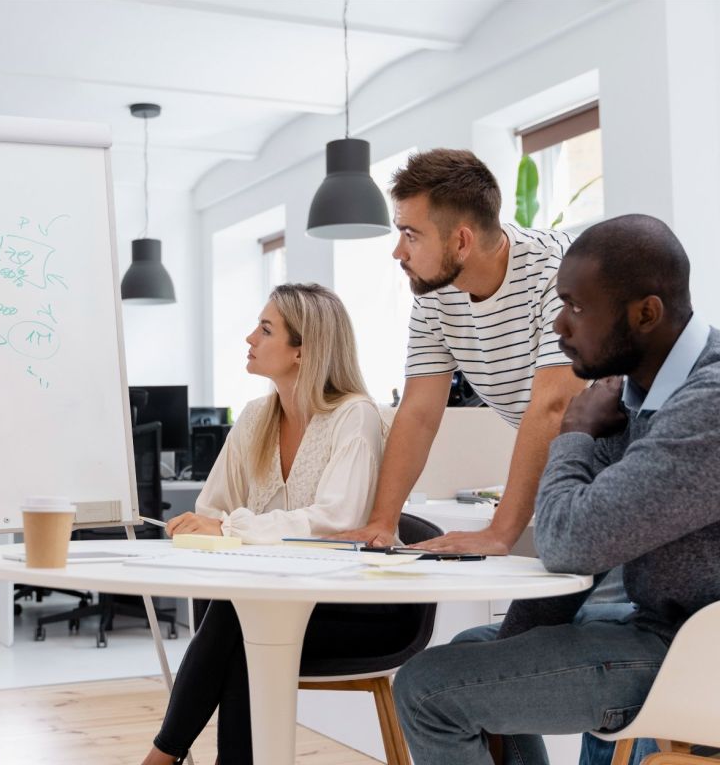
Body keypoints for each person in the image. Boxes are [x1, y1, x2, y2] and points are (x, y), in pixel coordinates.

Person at [391, 214, 720, 765]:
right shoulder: (634, 396)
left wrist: (573, 432)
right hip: (661, 631)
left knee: (429, 690)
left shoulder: (707, 402)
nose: (560, 327)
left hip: (697, 656)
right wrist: (511, 645)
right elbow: (580, 543)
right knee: (472, 651)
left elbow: (570, 543)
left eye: (576, 308)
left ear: (646, 313)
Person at [142, 283, 389, 764]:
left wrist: (230, 529)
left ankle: (160, 757)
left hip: (350, 608)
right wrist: (205, 526)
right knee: (248, 620)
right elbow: (213, 507)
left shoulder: (353, 416)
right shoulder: (256, 417)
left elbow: (337, 520)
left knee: (244, 618)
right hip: (272, 603)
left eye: (266, 329)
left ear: (302, 350)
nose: (250, 338)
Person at [336, 148, 586, 555]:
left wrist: (499, 533)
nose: (398, 251)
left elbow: (554, 407)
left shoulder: (559, 272)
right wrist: (382, 523)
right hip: (574, 464)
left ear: (462, 241)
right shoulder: (436, 292)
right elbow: (418, 413)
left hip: (639, 452)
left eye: (411, 235)